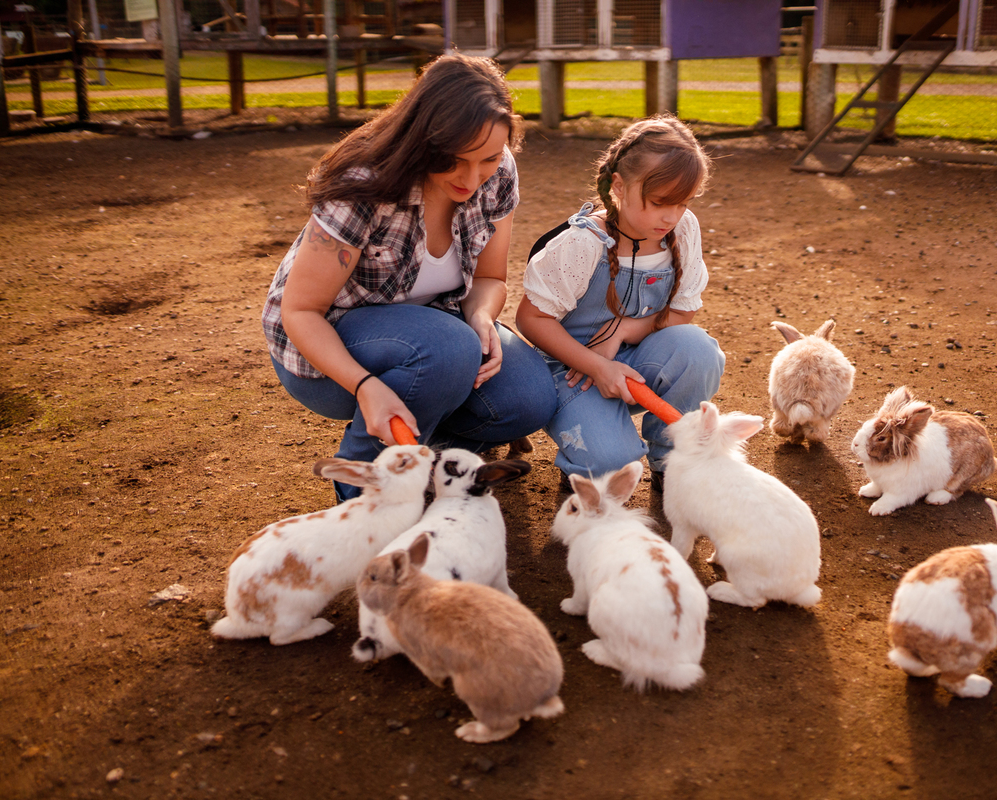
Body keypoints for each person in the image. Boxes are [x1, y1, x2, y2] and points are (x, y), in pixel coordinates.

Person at [263, 54, 556, 501]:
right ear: (424, 140)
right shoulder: (363, 183)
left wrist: (481, 316)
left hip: (436, 339)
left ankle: (435, 469)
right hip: (329, 352)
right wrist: (366, 387)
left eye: (488, 159)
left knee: (528, 397)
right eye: (453, 160)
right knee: (447, 348)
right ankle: (362, 490)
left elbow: (491, 277)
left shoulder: (498, 173)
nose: (472, 178)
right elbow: (301, 311)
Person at [516, 115, 725, 490]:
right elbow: (531, 318)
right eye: (660, 201)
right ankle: (586, 451)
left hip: (634, 362)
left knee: (699, 350)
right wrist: (596, 365)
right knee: (614, 469)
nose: (671, 216)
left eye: (683, 203)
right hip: (573, 372)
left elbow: (683, 313)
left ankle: (672, 461)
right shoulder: (582, 243)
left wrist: (624, 329)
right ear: (618, 185)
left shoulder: (683, 228)